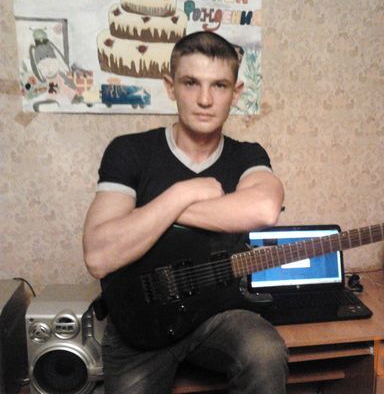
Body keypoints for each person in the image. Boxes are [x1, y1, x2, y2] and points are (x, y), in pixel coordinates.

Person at [82, 31, 288, 394]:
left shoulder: (247, 155)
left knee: (265, 351)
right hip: (139, 325)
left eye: (219, 85)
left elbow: (264, 208)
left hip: (217, 316)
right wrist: (182, 192)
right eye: (191, 83)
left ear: (236, 93)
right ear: (170, 86)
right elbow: (99, 256)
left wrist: (156, 214)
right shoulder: (129, 151)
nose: (205, 99)